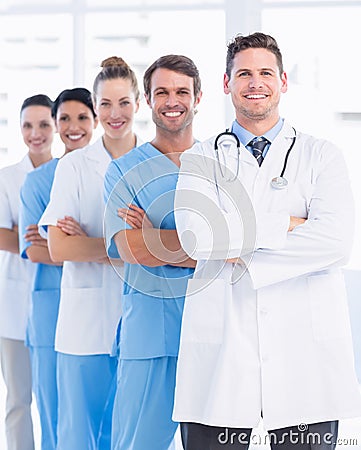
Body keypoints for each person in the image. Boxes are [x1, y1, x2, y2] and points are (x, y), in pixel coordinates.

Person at [173, 32, 361, 449]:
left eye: (264, 72)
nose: (254, 82)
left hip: (304, 361)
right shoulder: (201, 157)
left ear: (283, 80)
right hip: (221, 361)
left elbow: (334, 240)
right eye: (243, 73)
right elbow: (195, 236)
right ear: (226, 84)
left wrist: (242, 253)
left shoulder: (322, 154)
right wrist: (287, 224)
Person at [38, 57, 140, 450]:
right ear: (96, 109)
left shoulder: (154, 164)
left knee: (129, 437)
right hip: (83, 325)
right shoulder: (75, 167)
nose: (116, 114)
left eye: (124, 103)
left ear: (139, 104)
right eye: (106, 104)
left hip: (139, 323)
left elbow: (169, 246)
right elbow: (59, 245)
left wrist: (92, 246)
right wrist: (127, 247)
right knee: (77, 437)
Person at [103, 54, 202, 450]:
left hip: (215, 337)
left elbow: (241, 250)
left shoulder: (219, 164)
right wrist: (202, 248)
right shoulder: (123, 170)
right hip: (149, 338)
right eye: (162, 92)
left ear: (199, 97)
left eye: (182, 91)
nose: (172, 100)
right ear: (147, 99)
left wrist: (156, 235)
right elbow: (133, 250)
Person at [18, 87, 97, 450]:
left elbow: (130, 245)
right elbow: (36, 251)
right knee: (54, 415)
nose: (73, 126)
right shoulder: (38, 181)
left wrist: (69, 245)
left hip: (101, 305)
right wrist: (80, 245)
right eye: (64, 118)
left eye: (82, 116)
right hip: (50, 309)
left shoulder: (112, 171)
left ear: (97, 120)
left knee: (102, 413)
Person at [0, 94, 55, 450]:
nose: (35, 133)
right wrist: (35, 238)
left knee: (55, 398)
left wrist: (45, 239)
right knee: (19, 398)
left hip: (57, 300)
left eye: (44, 124)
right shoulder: (6, 178)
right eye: (28, 126)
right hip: (14, 304)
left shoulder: (67, 171)